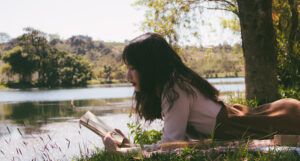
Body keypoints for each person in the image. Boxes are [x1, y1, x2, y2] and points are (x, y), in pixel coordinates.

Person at [102, 33, 300, 152]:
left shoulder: (175, 88)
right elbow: (179, 142)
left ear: (149, 67)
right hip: (268, 117)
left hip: (281, 120)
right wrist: (130, 145)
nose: (127, 75)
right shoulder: (172, 86)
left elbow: (172, 146)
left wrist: (131, 149)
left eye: (133, 68)